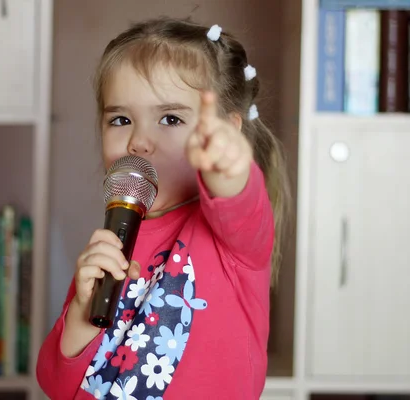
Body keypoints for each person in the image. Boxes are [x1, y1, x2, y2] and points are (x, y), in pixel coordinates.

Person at [36, 16, 291, 400]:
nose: (139, 140)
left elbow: (237, 196)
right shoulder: (110, 245)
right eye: (121, 119)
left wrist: (230, 164)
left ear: (224, 133)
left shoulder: (232, 238)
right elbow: (57, 386)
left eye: (170, 118)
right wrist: (81, 314)